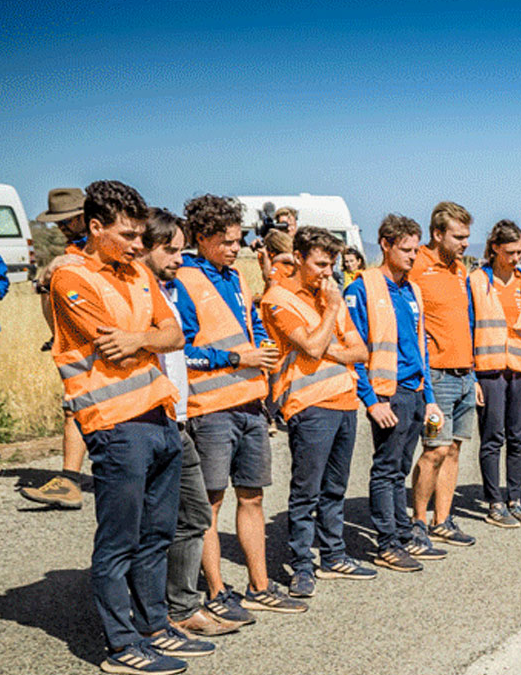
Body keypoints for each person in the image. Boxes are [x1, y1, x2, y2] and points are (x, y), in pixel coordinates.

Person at [49, 181, 197, 674]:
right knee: (119, 541)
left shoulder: (135, 273)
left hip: (159, 416)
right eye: (129, 235)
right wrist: (147, 337)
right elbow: (104, 342)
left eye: (140, 236)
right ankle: (121, 644)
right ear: (95, 227)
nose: (139, 246)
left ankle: (155, 627)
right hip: (115, 425)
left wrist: (140, 337)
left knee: (157, 534)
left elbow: (175, 333)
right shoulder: (70, 278)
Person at [176, 195, 302, 619]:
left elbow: (248, 327)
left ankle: (260, 585)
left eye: (238, 239)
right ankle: (215, 591)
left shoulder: (238, 278)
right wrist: (235, 359)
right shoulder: (184, 281)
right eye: (226, 241)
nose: (235, 248)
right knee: (210, 503)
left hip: (250, 405)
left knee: (252, 498)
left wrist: (261, 347)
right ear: (202, 238)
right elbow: (183, 351)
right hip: (210, 409)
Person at [260, 226, 373, 597]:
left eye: (332, 264)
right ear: (299, 258)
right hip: (308, 405)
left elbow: (360, 351)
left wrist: (329, 345)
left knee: (335, 488)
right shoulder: (278, 298)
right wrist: (332, 314)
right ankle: (302, 565)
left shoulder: (328, 296)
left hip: (344, 401)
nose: (328, 272)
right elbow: (309, 347)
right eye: (321, 264)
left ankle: (334, 554)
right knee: (306, 490)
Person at [142, 210, 237, 641]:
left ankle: (181, 606)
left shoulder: (173, 289)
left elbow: (188, 345)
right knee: (154, 523)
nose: (180, 258)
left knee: (194, 514)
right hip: (148, 418)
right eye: (171, 249)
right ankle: (155, 615)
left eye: (182, 249)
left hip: (177, 418)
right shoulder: (139, 294)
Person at [348, 213, 441, 572]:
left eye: (416, 250)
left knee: (402, 466)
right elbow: (352, 350)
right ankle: (387, 542)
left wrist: (429, 396)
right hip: (388, 394)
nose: (413, 256)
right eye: (405, 249)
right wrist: (371, 401)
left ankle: (403, 533)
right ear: (385, 245)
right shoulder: (363, 288)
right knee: (386, 469)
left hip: (415, 391)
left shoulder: (412, 289)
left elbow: (420, 347)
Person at [408, 201, 478, 549]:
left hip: (465, 374)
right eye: (458, 237)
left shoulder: (460, 269)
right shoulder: (416, 265)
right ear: (438, 234)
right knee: (434, 450)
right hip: (436, 378)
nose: (465, 243)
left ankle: (442, 519)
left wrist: (474, 376)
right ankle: (418, 520)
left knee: (453, 451)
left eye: (467, 237)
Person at [19, 187, 92, 510]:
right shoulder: (74, 248)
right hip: (75, 341)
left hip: (101, 340)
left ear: (83, 216)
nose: (61, 226)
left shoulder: (96, 245)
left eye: (66, 220)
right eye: (57, 221)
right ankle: (70, 480)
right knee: (74, 407)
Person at [469, 220, 521, 528]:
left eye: (520, 252)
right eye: (511, 252)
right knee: (493, 437)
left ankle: (515, 498)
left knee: (518, 437)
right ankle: (494, 502)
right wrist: (472, 378)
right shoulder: (476, 280)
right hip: (489, 370)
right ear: (495, 248)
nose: (516, 258)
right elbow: (469, 327)